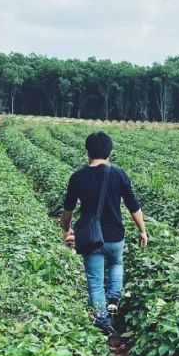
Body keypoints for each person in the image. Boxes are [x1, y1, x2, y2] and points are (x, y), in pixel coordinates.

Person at [61, 131, 149, 334]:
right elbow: (133, 206)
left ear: (87, 152)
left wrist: (67, 230)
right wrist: (142, 231)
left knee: (94, 281)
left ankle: (102, 322)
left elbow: (68, 211)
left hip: (90, 238)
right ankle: (114, 298)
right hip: (115, 235)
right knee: (117, 263)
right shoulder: (118, 174)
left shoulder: (77, 177)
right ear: (109, 152)